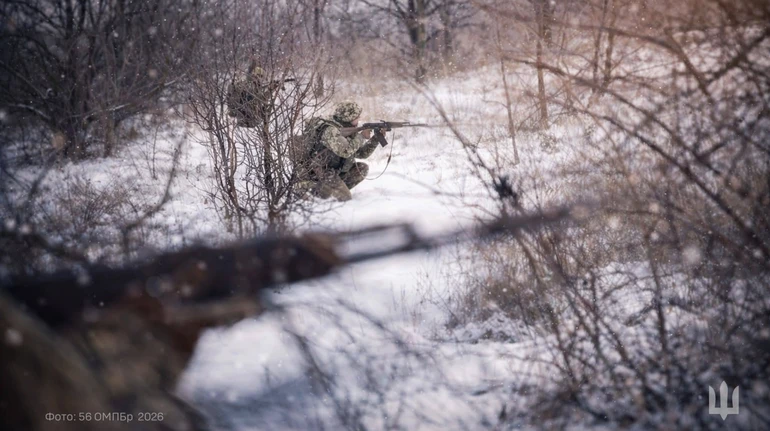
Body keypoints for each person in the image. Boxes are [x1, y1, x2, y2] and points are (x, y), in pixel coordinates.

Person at [301, 102, 386, 201]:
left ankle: (332, 190)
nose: (359, 119)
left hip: (335, 170)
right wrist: (362, 136)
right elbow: (345, 151)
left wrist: (375, 139)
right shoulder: (330, 130)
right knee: (345, 197)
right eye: (357, 117)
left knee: (362, 168)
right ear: (349, 117)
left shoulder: (346, 129)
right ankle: (315, 191)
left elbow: (362, 154)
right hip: (321, 172)